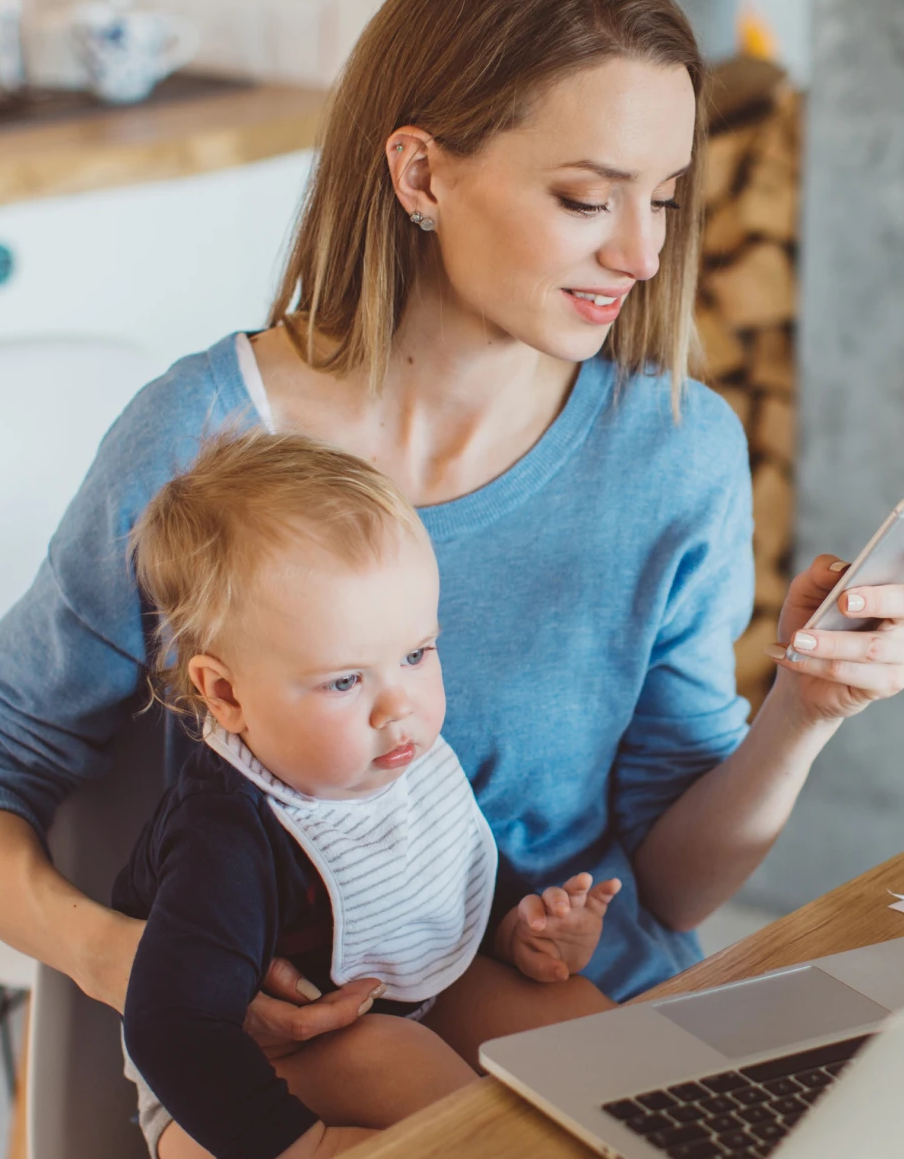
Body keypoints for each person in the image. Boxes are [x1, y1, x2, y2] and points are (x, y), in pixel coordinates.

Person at [0, 0, 904, 1155]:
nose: (639, 251)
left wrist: (803, 711)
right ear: (420, 174)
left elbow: (668, 891)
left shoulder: (675, 449)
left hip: (582, 1020)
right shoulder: (200, 441)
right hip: (304, 1054)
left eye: (663, 198)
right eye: (585, 197)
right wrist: (119, 957)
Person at [116, 430, 620, 1158]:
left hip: (397, 1002)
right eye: (346, 680)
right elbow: (173, 1030)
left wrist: (521, 933)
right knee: (413, 1072)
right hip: (226, 1084)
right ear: (226, 694)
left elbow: (440, 876)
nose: (399, 706)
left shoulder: (389, 752)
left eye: (416, 654)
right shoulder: (227, 833)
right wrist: (304, 1144)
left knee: (575, 1020)